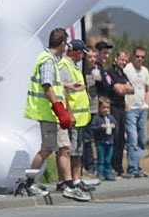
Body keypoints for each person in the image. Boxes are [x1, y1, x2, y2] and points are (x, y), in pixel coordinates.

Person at [23, 28, 87, 201]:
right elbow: (47, 85)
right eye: (65, 44)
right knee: (47, 149)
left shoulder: (49, 59)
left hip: (53, 114)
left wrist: (68, 87)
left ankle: (68, 184)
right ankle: (28, 184)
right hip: (50, 113)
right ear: (62, 44)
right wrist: (60, 110)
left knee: (64, 148)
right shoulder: (48, 61)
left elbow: (54, 84)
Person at [59, 39, 92, 196]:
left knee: (77, 150)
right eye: (83, 53)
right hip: (73, 116)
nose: (84, 56)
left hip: (81, 117)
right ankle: (66, 180)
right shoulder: (65, 66)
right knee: (69, 149)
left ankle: (76, 179)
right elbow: (63, 91)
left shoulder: (75, 67)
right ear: (77, 53)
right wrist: (69, 112)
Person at [123, 46, 149, 177]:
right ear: (133, 57)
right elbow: (124, 87)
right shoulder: (127, 69)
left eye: (142, 57)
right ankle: (133, 167)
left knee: (142, 138)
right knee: (132, 138)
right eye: (137, 56)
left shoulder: (145, 71)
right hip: (131, 108)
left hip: (142, 108)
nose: (139, 59)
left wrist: (147, 104)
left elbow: (147, 89)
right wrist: (126, 103)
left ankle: (137, 165)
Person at [106, 49, 134, 178]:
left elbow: (131, 89)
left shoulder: (123, 74)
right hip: (112, 107)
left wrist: (125, 87)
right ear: (116, 59)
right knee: (114, 137)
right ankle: (110, 166)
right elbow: (119, 90)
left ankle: (119, 167)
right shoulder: (110, 72)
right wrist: (124, 87)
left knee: (122, 139)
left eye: (125, 61)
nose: (123, 63)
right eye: (122, 60)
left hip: (122, 108)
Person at [82, 46, 99, 174]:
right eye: (90, 57)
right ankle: (88, 164)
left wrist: (101, 81)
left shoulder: (97, 70)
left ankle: (98, 164)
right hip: (84, 109)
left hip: (95, 107)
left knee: (97, 137)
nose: (93, 60)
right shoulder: (81, 71)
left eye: (94, 57)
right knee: (86, 138)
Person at [90, 97, 116, 181]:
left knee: (108, 158)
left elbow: (115, 126)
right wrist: (100, 127)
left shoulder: (111, 118)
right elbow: (93, 127)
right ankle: (100, 173)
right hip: (100, 141)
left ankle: (108, 172)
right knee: (101, 158)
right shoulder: (97, 118)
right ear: (99, 108)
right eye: (103, 107)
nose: (106, 110)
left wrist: (113, 126)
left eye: (107, 107)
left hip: (109, 141)